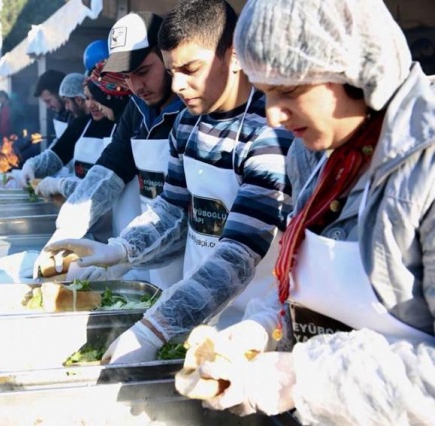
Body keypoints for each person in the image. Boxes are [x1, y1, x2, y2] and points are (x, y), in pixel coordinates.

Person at [171, 0, 435, 422]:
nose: (273, 116)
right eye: (265, 93)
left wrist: (303, 378)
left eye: (289, 91)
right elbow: (305, 289)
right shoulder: (311, 157)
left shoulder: (425, 166)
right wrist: (266, 328)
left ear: (353, 67)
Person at [46, 0, 294, 363]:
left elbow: (240, 250)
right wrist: (121, 249)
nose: (178, 85)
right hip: (194, 309)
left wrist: (156, 327)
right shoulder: (187, 124)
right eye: (173, 70)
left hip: (254, 326)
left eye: (191, 69)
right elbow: (172, 208)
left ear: (235, 56)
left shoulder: (269, 133)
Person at [33, 12, 185, 286]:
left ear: (167, 56)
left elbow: (182, 211)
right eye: (127, 76)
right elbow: (109, 169)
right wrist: (67, 229)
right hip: (147, 259)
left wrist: (124, 256)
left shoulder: (190, 111)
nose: (136, 86)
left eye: (143, 71)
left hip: (190, 261)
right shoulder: (136, 110)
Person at [33, 59, 132, 201]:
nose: (91, 104)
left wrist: (61, 185)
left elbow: (103, 184)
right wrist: (32, 167)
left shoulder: (124, 129)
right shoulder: (81, 124)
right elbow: (57, 154)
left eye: (96, 97)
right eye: (87, 98)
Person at [33, 70, 71, 139]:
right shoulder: (61, 116)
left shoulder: (76, 117)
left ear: (60, 93)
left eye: (48, 101)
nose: (48, 106)